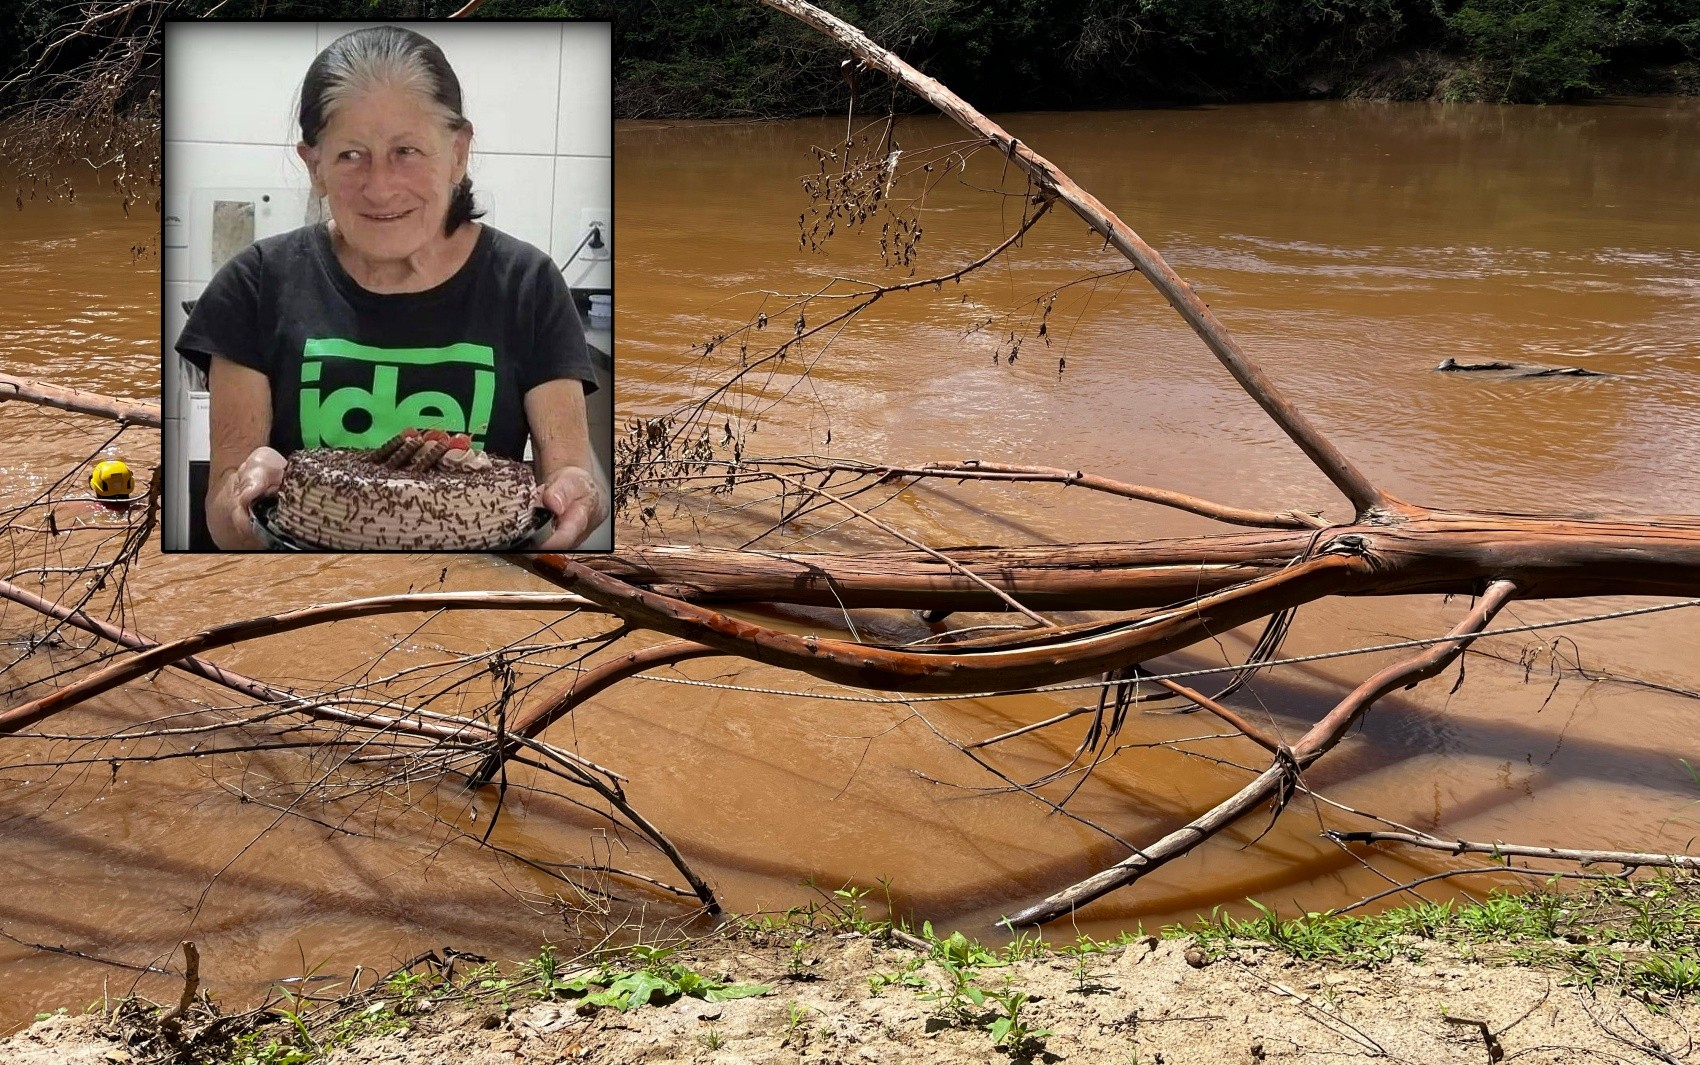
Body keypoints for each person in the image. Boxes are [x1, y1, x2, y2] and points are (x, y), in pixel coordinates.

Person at [175, 25, 605, 551]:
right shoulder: (253, 284)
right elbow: (221, 514)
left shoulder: (529, 284)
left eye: (407, 150)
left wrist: (577, 498)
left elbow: (571, 479)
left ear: (458, 152)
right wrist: (244, 498)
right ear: (315, 165)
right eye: (351, 155)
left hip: (469, 596)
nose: (380, 188)